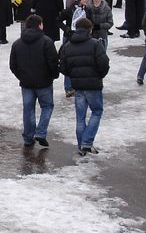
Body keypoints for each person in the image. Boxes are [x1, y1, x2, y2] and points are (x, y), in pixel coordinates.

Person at [59, 17, 110, 155]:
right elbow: (104, 63)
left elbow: (63, 67)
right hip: (93, 85)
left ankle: (82, 146)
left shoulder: (67, 46)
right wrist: (99, 75)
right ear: (90, 29)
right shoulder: (95, 44)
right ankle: (87, 142)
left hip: (78, 86)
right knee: (97, 111)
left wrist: (73, 76)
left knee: (80, 117)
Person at [9, 14, 60, 148]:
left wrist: (21, 76)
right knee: (47, 106)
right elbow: (53, 62)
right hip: (44, 82)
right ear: (40, 25)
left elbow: (13, 65)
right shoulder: (47, 41)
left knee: (28, 109)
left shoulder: (17, 43)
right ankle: (41, 132)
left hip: (26, 83)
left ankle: (28, 137)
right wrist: (54, 75)